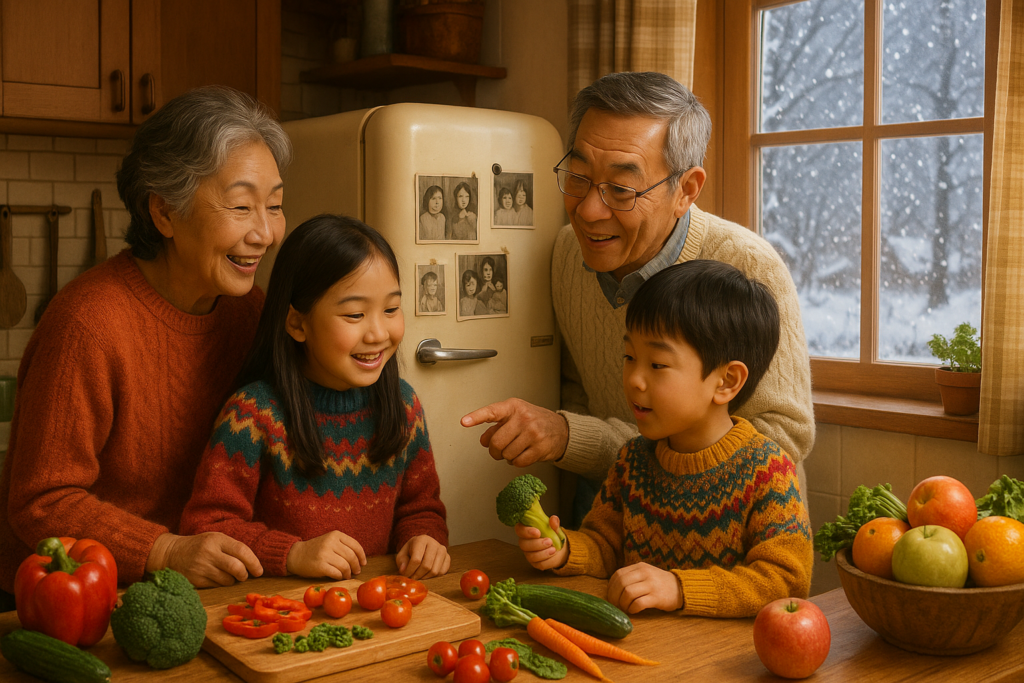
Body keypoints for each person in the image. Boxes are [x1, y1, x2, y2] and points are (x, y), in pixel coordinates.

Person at [462, 71, 814, 525]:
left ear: (686, 190)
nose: (589, 210)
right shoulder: (569, 253)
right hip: (616, 522)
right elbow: (578, 391)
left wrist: (577, 438)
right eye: (579, 176)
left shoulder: (745, 266)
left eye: (621, 190)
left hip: (732, 537)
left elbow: (780, 438)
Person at [0, 86, 291, 598]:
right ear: (164, 212)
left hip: (197, 591)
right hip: (69, 600)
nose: (265, 233)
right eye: (242, 207)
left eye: (275, 205)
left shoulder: (252, 312)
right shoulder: (87, 323)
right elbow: (42, 501)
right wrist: (168, 550)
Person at [516, 260, 813, 618]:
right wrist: (565, 550)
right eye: (629, 357)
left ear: (727, 382)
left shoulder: (768, 471)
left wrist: (679, 588)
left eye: (657, 364)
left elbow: (786, 582)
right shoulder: (633, 461)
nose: (634, 379)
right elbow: (605, 545)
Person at [180, 215, 450, 580]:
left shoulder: (404, 406)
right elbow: (206, 527)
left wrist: (425, 538)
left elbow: (421, 510)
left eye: (391, 309)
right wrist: (292, 554)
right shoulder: (253, 414)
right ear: (297, 323)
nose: (378, 333)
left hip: (378, 614)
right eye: (355, 314)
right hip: (285, 614)